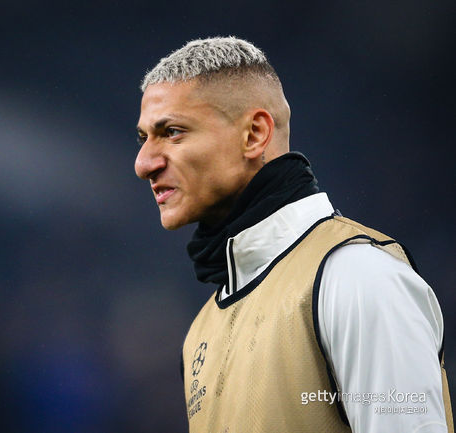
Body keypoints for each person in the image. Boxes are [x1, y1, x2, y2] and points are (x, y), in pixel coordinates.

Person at [134, 36, 453, 433]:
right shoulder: (201, 329)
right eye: (143, 137)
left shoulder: (357, 278)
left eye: (173, 132)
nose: (144, 163)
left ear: (254, 135)